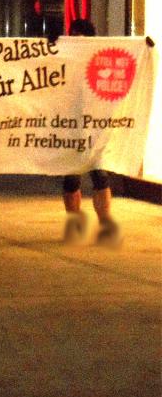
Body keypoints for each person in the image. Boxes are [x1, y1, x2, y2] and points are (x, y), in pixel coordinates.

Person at [62, 19, 121, 245]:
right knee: (71, 177)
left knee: (100, 175)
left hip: (95, 127)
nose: (76, 40)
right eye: (73, 35)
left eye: (79, 36)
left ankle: (105, 224)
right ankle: (75, 224)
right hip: (70, 127)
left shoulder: (100, 60)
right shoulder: (65, 59)